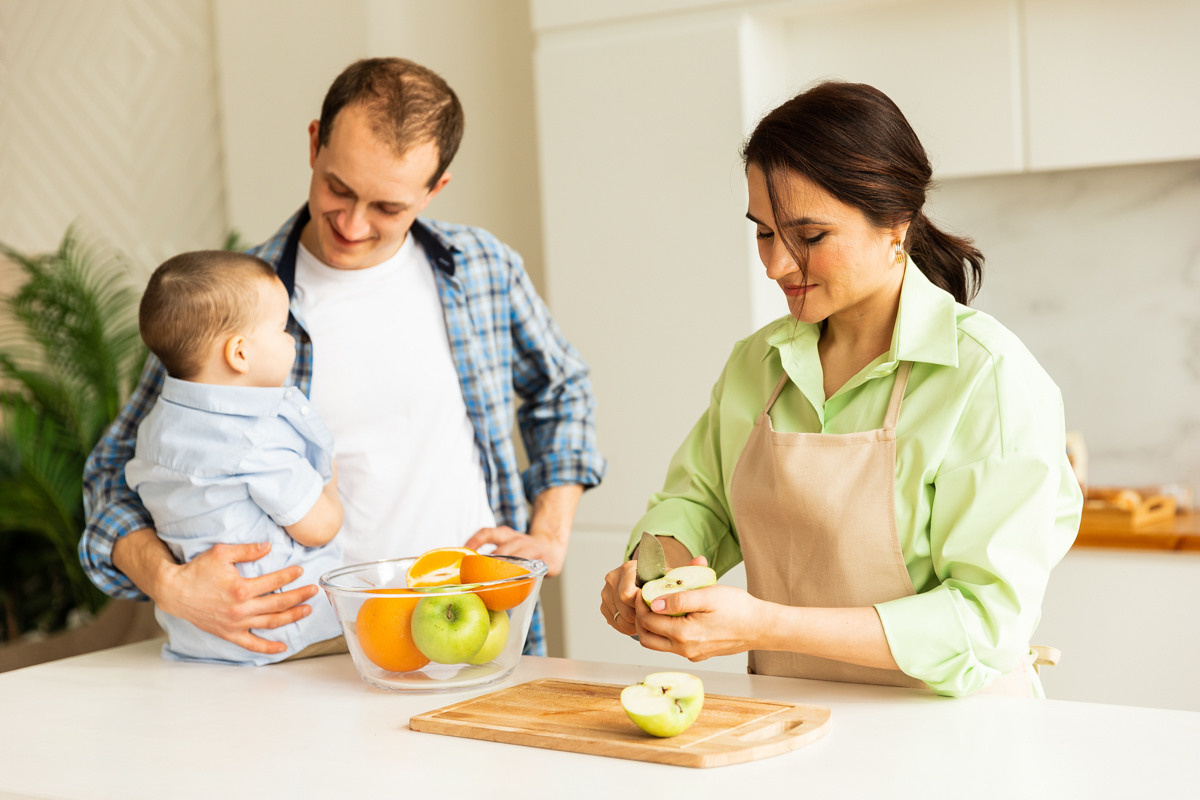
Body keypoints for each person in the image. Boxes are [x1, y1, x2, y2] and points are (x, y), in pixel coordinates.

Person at [82, 57, 605, 660]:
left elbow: (562, 388)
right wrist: (168, 584)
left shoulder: (484, 268)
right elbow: (110, 478)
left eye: (388, 208)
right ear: (314, 144)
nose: (354, 225)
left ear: (435, 190)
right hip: (312, 653)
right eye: (339, 188)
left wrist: (551, 532)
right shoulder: (228, 307)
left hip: (480, 626)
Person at [600, 81, 1083, 697]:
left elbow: (987, 623)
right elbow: (700, 506)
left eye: (809, 236)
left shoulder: (987, 374)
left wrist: (768, 625)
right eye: (764, 232)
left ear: (895, 224)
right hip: (789, 721)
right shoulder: (758, 364)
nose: (775, 265)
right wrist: (648, 573)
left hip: (952, 741)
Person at [126, 251, 344, 664]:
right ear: (240, 353)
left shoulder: (155, 428)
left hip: (199, 639)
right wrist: (330, 480)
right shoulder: (257, 440)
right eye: (282, 328)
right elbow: (319, 527)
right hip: (288, 632)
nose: (291, 339)